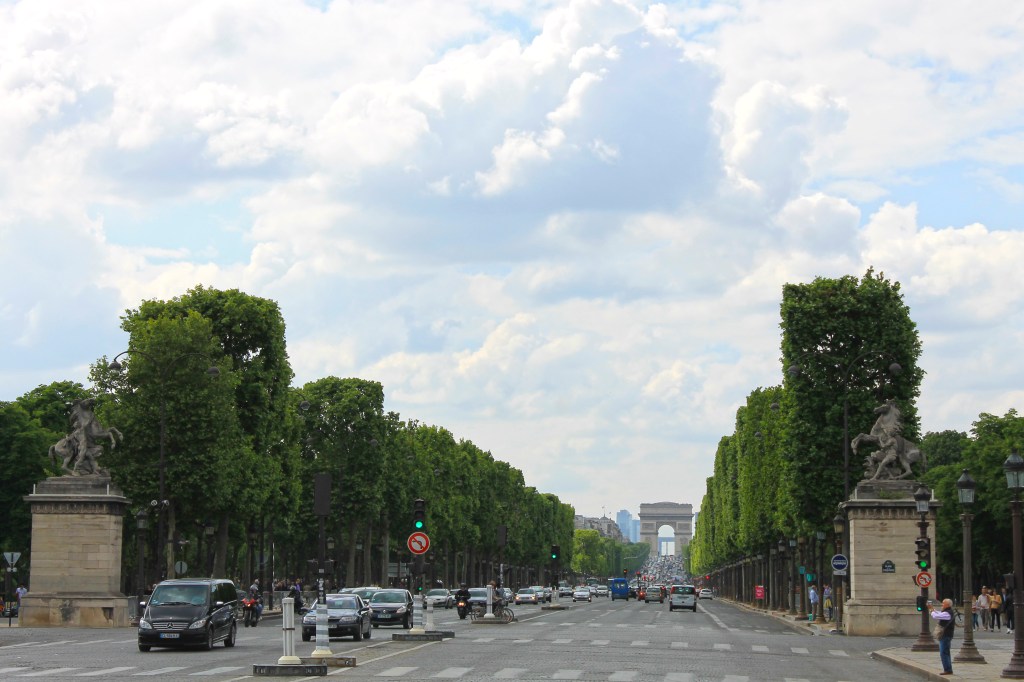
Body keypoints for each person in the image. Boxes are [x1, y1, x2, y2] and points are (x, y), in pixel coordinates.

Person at [930, 598, 956, 676]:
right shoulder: (948, 612)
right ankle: (948, 669)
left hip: (945, 635)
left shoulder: (948, 613)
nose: (942, 605)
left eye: (943, 603)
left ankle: (947, 669)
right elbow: (939, 613)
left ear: (947, 605)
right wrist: (932, 609)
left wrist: (931, 610)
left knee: (943, 652)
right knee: (946, 652)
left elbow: (936, 616)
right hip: (947, 634)